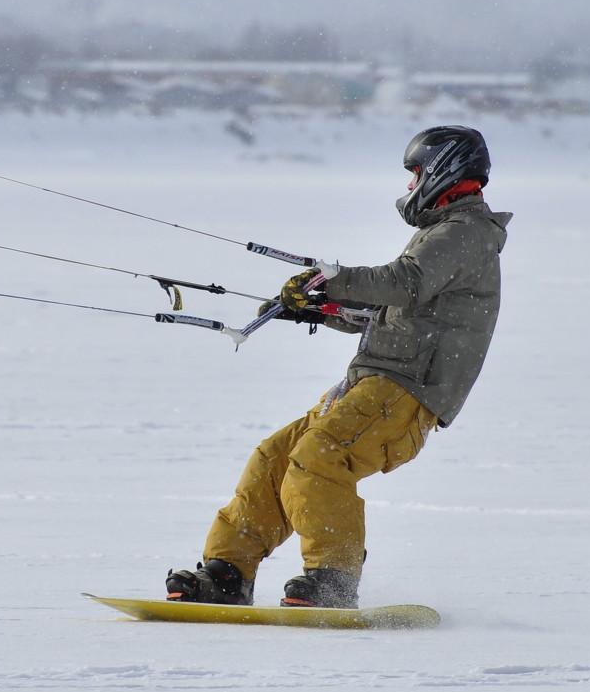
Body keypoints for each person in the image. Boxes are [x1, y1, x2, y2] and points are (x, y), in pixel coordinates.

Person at [165, 125, 512, 608]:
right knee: (276, 457)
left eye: (415, 175)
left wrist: (331, 282)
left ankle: (333, 579)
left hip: (407, 392)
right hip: (372, 385)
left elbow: (403, 283)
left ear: (442, 171)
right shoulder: (444, 235)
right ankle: (228, 572)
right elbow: (387, 312)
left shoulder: (465, 232)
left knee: (319, 458)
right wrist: (317, 308)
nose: (410, 188)